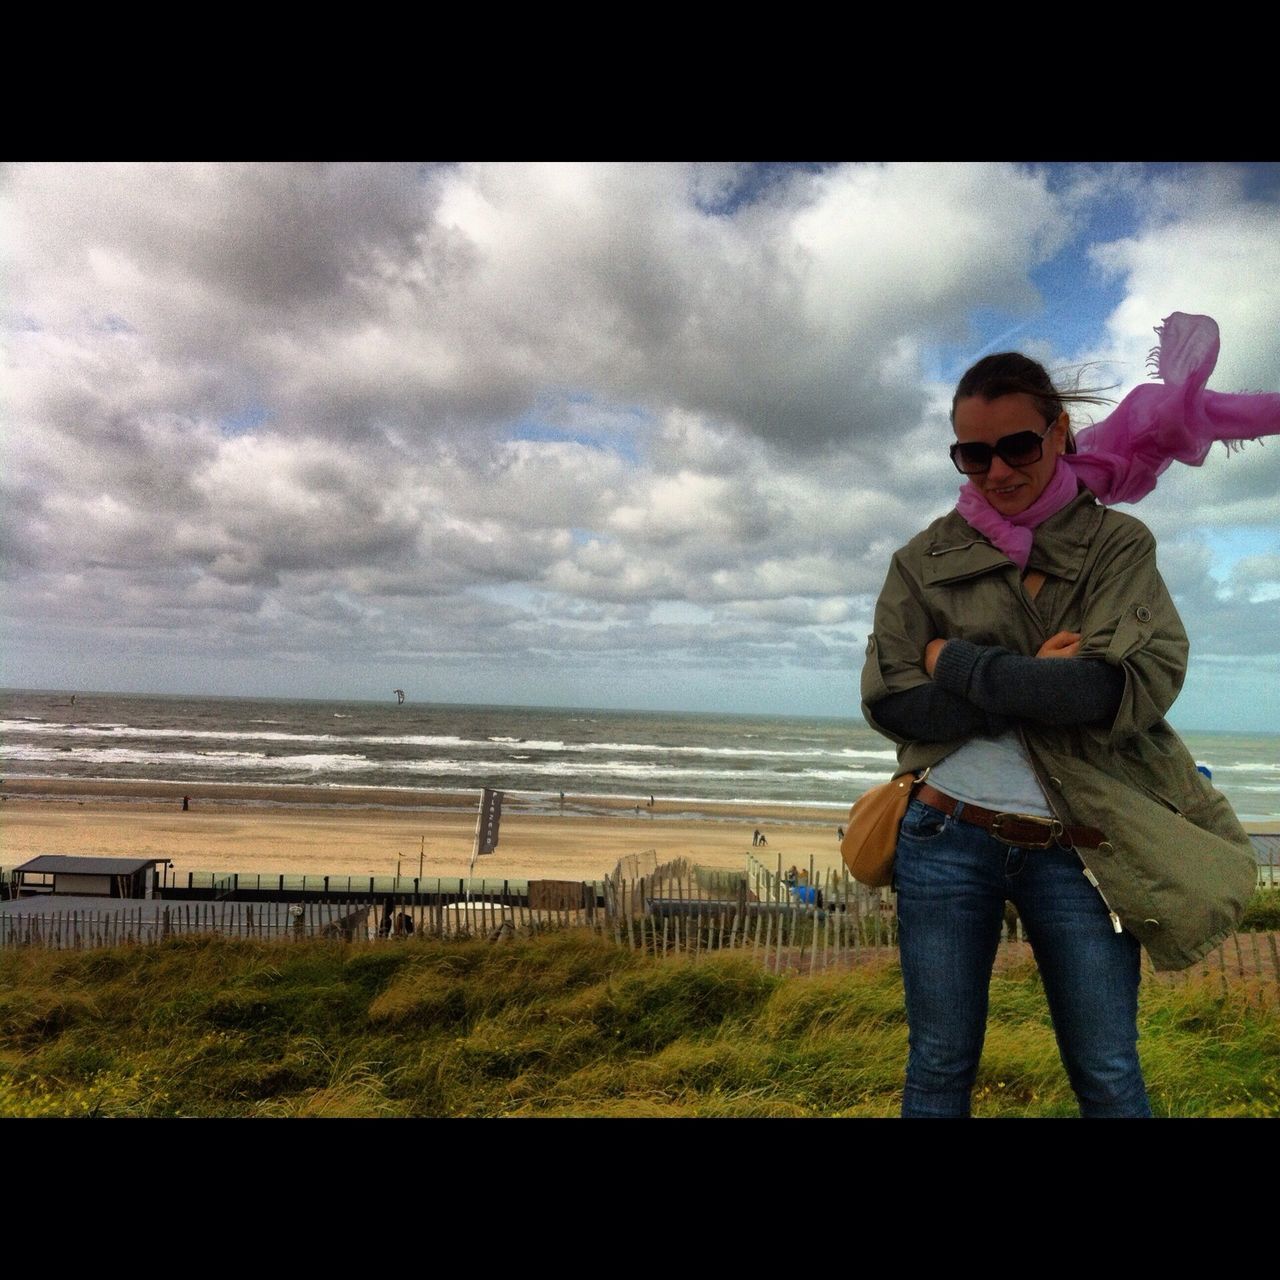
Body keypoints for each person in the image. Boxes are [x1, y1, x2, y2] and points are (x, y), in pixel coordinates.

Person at [862, 323, 1264, 1119]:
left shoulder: (1117, 547)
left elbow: (1106, 695)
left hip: (1079, 848)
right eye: (972, 455)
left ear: (1060, 431)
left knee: (1108, 1073)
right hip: (942, 840)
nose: (998, 471)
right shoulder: (924, 559)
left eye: (1017, 446)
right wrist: (1031, 676)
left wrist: (956, 661)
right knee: (937, 1068)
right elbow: (890, 702)